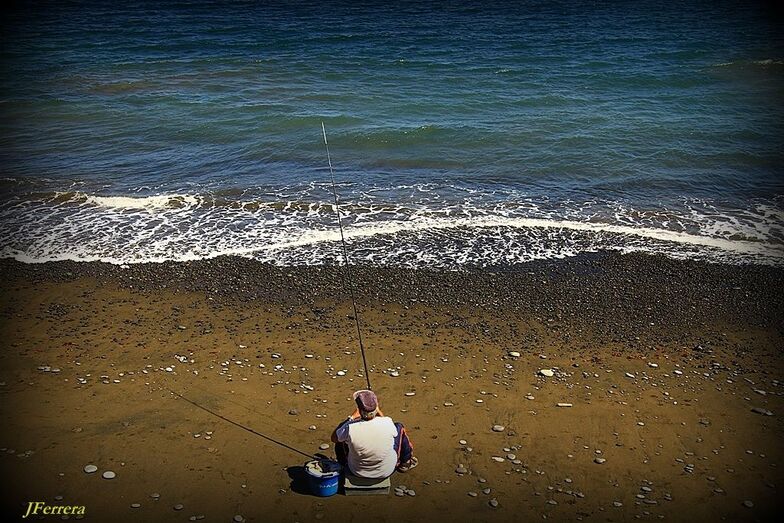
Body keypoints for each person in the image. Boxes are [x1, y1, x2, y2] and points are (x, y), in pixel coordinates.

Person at [331, 389, 418, 479]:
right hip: (386, 470)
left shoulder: (349, 428)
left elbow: (334, 438)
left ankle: (342, 464)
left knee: (340, 436)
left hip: (357, 471)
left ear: (360, 411)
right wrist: (377, 411)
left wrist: (351, 417)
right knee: (399, 427)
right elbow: (388, 426)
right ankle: (405, 462)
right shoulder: (387, 422)